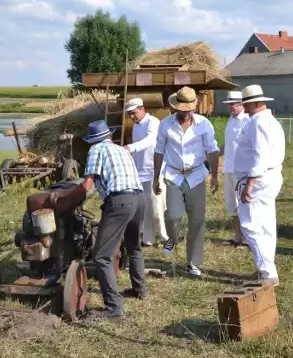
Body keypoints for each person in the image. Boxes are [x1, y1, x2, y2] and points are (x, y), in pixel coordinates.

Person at [49, 120, 146, 320]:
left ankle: (114, 310)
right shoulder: (121, 150)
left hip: (120, 201)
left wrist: (64, 198)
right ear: (109, 135)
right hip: (139, 199)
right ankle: (140, 290)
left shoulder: (96, 150)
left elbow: (86, 185)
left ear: (92, 140)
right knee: (134, 247)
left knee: (101, 256)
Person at [153, 86, 219, 277]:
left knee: (197, 221)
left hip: (196, 175)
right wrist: (156, 178)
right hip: (173, 175)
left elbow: (212, 151)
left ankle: (193, 263)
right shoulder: (165, 125)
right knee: (173, 216)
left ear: (194, 108)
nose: (186, 113)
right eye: (182, 110)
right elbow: (158, 151)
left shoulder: (204, 124)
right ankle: (172, 238)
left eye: (189, 109)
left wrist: (214, 175)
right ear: (175, 108)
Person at [233, 85, 285, 286]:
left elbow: (260, 155)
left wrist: (250, 183)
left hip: (258, 179)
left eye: (246, 104)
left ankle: (267, 271)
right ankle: (265, 268)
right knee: (265, 225)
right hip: (267, 176)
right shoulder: (270, 120)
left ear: (254, 103)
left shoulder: (258, 122)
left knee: (251, 225)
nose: (244, 107)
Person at [123, 98, 169, 247]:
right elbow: (138, 153)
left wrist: (131, 147)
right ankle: (148, 240)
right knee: (144, 208)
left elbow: (150, 140)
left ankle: (164, 237)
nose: (131, 117)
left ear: (142, 109)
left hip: (154, 171)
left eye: (133, 113)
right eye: (129, 114)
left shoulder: (153, 122)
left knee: (156, 207)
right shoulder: (136, 126)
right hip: (140, 172)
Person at [219, 90, 250, 248]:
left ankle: (246, 239)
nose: (231, 107)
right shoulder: (231, 120)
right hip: (228, 168)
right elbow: (228, 143)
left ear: (242, 104)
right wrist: (217, 153)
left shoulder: (247, 121)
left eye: (233, 104)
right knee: (231, 205)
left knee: (242, 204)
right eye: (229, 104)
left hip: (241, 170)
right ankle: (238, 236)